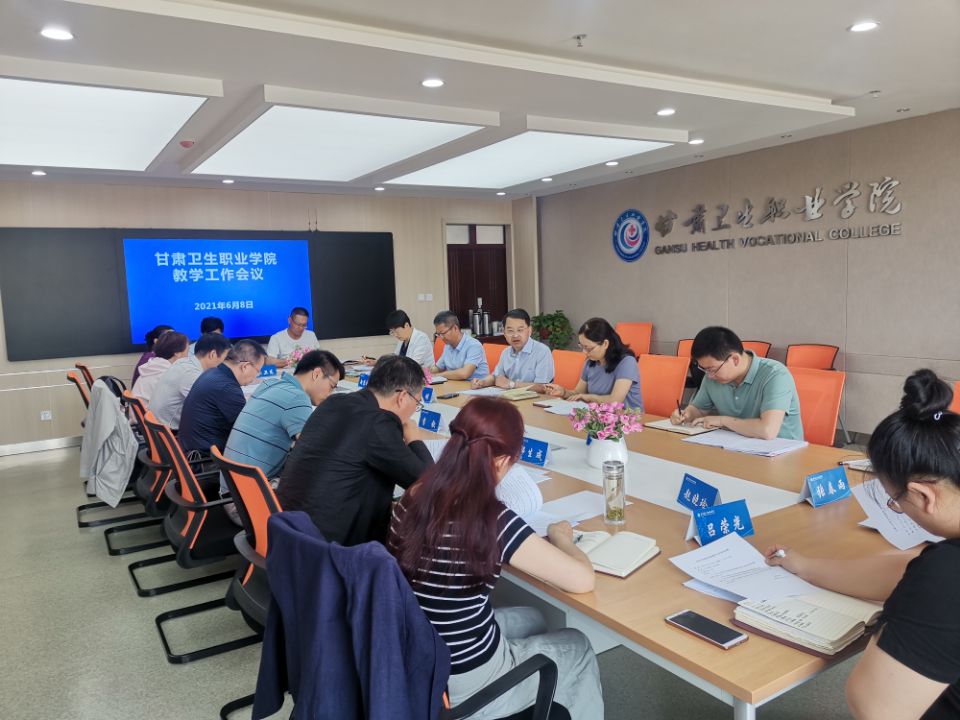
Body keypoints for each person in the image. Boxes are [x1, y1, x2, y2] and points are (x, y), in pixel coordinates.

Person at [388, 397, 603, 720]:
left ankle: (545, 704)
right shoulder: (490, 520)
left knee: (534, 618)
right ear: (501, 461)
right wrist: (562, 539)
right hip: (464, 681)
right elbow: (583, 580)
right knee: (578, 644)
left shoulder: (414, 495)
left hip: (416, 655)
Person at [766, 370, 960, 719]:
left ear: (924, 495)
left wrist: (895, 623)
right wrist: (804, 566)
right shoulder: (943, 563)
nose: (897, 508)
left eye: (894, 500)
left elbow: (873, 706)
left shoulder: (947, 574)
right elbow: (910, 568)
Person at [277, 355, 433, 545]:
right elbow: (430, 484)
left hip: (287, 533)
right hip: (328, 551)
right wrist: (414, 437)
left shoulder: (333, 403)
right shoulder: (378, 422)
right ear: (402, 397)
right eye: (417, 403)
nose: (414, 410)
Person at [222, 349, 345, 491]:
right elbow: (315, 452)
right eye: (332, 386)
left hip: (230, 487)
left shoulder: (269, 384)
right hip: (251, 495)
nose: (330, 394)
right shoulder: (297, 397)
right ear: (316, 374)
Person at [670, 326, 802, 440]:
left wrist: (722, 421)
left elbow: (767, 431)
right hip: (737, 446)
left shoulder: (775, 375)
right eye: (705, 369)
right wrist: (686, 415)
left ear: (735, 359)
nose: (709, 376)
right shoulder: (713, 375)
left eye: (712, 369)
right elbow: (699, 409)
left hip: (781, 452)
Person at [177, 339, 266, 454]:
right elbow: (249, 431)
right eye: (258, 371)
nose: (257, 376)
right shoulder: (227, 388)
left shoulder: (212, 373)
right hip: (206, 458)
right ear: (245, 366)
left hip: (191, 448)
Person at [544, 317, 643, 410]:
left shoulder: (627, 362)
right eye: (581, 346)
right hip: (599, 416)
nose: (584, 352)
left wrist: (589, 397)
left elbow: (615, 401)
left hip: (629, 419)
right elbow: (578, 393)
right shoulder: (590, 362)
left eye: (588, 348)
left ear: (605, 344)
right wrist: (563, 392)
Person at [149, 332, 232, 429]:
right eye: (225, 358)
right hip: (170, 432)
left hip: (159, 428)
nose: (226, 363)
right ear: (213, 354)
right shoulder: (190, 374)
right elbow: (214, 406)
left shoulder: (183, 363)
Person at [470, 308, 554, 389]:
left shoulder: (542, 351)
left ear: (530, 330)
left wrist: (512, 384)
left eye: (520, 330)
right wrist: (482, 382)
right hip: (510, 396)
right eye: (510, 331)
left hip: (536, 398)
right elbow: (496, 377)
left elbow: (543, 387)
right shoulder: (506, 352)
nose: (515, 335)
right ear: (504, 333)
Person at [131, 331, 189, 404]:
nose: (188, 356)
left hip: (142, 410)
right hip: (151, 411)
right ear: (177, 353)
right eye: (187, 351)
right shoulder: (169, 375)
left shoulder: (152, 367)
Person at [429, 310, 488, 381]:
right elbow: (438, 368)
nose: (441, 337)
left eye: (443, 333)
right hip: (455, 384)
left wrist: (438, 375)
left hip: (474, 385)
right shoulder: (448, 346)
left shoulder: (474, 345)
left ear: (455, 328)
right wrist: (428, 372)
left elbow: (464, 373)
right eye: (438, 334)